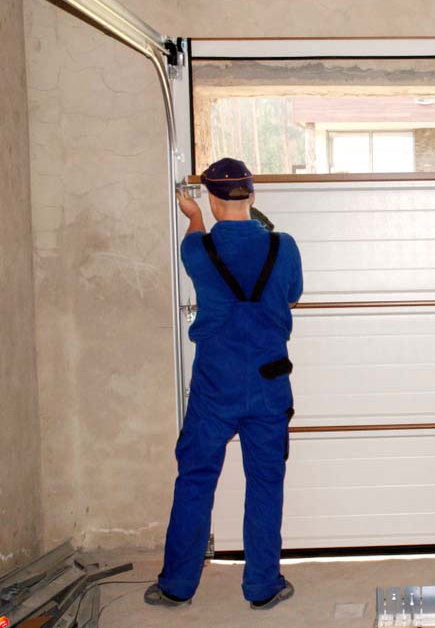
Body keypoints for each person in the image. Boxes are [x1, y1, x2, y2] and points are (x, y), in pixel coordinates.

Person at [145, 158, 303, 610]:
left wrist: (193, 218)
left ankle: (176, 586)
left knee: (195, 478)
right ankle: (262, 587)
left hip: (216, 385)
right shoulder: (284, 246)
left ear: (213, 199)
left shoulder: (197, 250)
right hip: (270, 382)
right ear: (252, 196)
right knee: (266, 482)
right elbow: (292, 292)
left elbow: (196, 241)